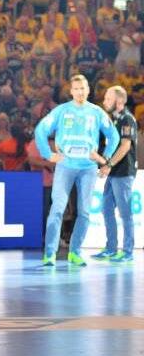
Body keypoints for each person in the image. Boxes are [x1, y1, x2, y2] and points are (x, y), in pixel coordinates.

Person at [34, 74, 120, 267]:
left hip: (88, 169)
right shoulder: (61, 111)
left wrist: (104, 159)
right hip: (65, 166)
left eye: (83, 88)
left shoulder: (96, 112)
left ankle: (75, 251)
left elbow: (113, 136)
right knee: (57, 209)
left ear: (88, 90)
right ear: (71, 91)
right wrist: (48, 154)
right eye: (76, 89)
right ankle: (50, 253)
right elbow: (41, 130)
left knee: (84, 212)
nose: (80, 92)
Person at [92, 86, 138, 263]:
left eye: (108, 99)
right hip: (113, 172)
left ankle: (127, 251)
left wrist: (108, 164)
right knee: (106, 209)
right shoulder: (114, 121)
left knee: (125, 212)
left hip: (123, 172)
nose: (104, 102)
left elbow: (125, 146)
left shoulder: (127, 119)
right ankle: (111, 248)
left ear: (119, 101)